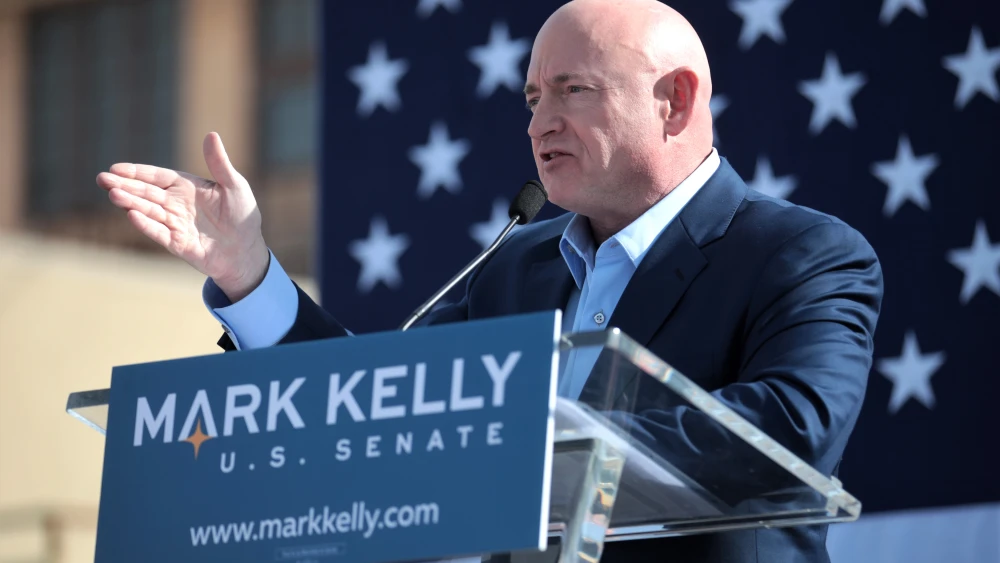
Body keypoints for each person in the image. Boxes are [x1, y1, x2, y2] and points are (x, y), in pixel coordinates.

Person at [95, 0, 883, 561]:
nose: (540, 121)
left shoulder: (802, 252)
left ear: (675, 101)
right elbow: (371, 405)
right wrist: (247, 271)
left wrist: (527, 444)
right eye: (534, 97)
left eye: (574, 90)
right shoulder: (515, 265)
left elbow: (790, 428)